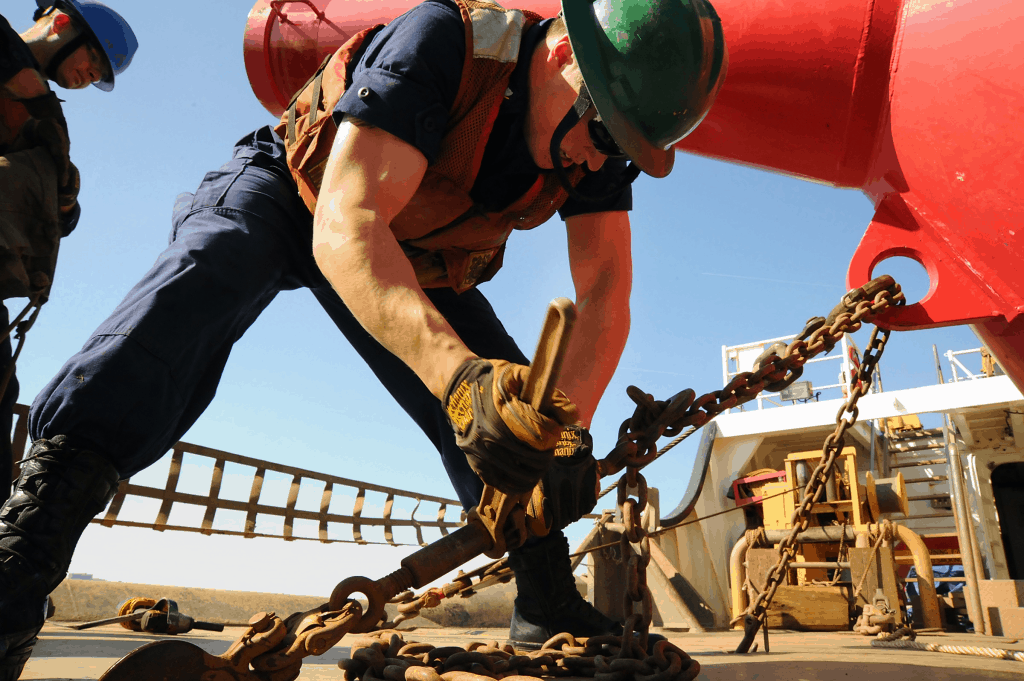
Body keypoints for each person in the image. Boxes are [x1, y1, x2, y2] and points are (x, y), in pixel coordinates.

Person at [0, 0, 725, 675]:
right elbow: (349, 224)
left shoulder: (596, 144)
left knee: (519, 406)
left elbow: (604, 294)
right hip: (298, 187)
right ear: (562, 53)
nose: (602, 159)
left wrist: (566, 429)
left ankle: (543, 597)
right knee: (201, 283)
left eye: (625, 150)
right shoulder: (445, 42)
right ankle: (25, 552)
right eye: (603, 134)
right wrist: (459, 380)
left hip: (417, 248)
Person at [0, 0, 138, 504]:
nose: (89, 76)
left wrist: (64, 199)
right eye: (94, 61)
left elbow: (62, 216)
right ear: (62, 23)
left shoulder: (43, 117)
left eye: (99, 73)